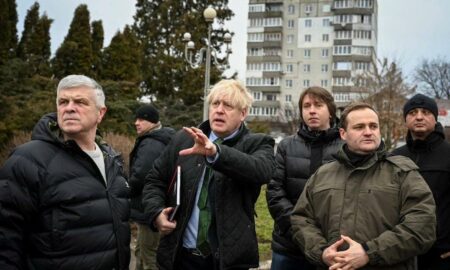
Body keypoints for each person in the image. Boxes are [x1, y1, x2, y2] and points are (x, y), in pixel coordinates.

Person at [142, 79, 275, 270]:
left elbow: (262, 170)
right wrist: (155, 213)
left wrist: (216, 153)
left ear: (243, 113)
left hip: (226, 260)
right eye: (215, 104)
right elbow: (154, 180)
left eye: (228, 105)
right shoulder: (184, 139)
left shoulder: (257, 143)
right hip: (179, 255)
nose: (219, 110)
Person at [0, 75, 130, 269]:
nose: (69, 108)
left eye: (80, 102)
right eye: (63, 102)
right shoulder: (28, 160)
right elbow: (6, 238)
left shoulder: (112, 161)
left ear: (100, 113)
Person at [290, 102, 436, 270]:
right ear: (343, 133)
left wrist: (369, 252)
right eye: (359, 127)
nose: (368, 132)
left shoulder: (402, 173)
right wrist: (322, 252)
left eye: (373, 126)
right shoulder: (322, 174)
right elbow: (301, 219)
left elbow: (423, 225)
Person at [266, 86, 342, 270]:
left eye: (318, 105)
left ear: (331, 111)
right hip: (288, 246)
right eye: (307, 106)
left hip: (332, 246)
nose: (312, 110)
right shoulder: (286, 146)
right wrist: (298, 230)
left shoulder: (345, 147)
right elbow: (275, 191)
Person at [393, 94, 450, 270]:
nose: (419, 116)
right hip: (400, 252)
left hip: (441, 254)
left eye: (425, 112)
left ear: (435, 118)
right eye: (413, 112)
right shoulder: (394, 157)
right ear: (405, 119)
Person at [129, 104, 175, 270]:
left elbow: (141, 175)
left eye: (141, 119)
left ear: (152, 122)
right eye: (136, 118)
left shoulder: (151, 143)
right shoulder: (161, 138)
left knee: (149, 254)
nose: (136, 122)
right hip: (152, 206)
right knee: (142, 250)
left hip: (149, 207)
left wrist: (127, 190)